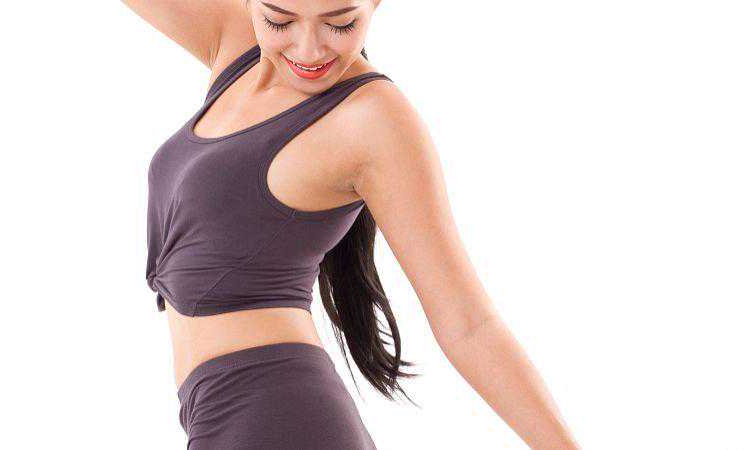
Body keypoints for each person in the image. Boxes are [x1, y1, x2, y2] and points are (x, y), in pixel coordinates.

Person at [122, 1, 583, 448]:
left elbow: (469, 325)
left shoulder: (374, 118)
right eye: (279, 20)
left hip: (275, 418)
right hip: (222, 412)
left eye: (339, 25)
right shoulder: (236, 44)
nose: (308, 50)